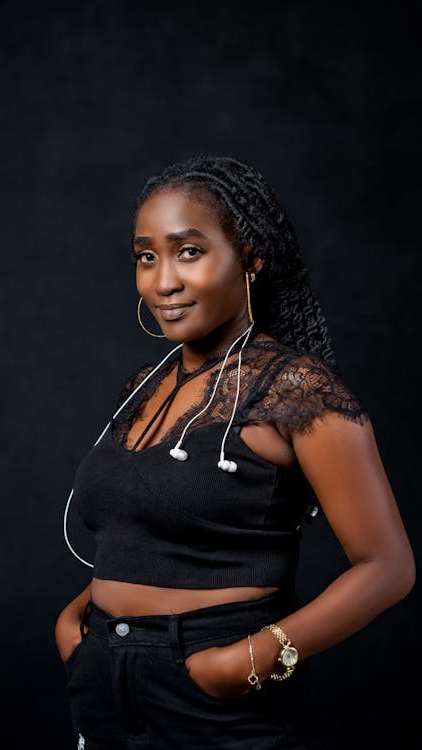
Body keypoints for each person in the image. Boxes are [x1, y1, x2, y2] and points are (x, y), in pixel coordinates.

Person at [55, 154, 415, 749]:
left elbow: (388, 567)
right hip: (102, 678)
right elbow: (137, 531)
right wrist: (76, 620)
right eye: (147, 257)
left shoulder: (296, 389)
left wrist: (241, 664)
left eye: (189, 251)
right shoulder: (146, 385)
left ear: (250, 258)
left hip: (214, 686)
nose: (163, 281)